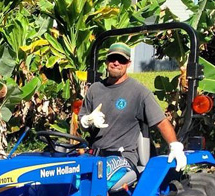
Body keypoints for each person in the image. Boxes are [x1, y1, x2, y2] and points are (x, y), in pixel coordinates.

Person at [79, 42, 187, 173]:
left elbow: (161, 122)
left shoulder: (138, 91)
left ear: (128, 63)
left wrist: (175, 146)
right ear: (107, 61)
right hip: (94, 155)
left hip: (122, 157)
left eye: (122, 60)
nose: (116, 63)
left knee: (99, 180)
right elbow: (82, 123)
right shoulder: (94, 89)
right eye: (113, 59)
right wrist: (87, 120)